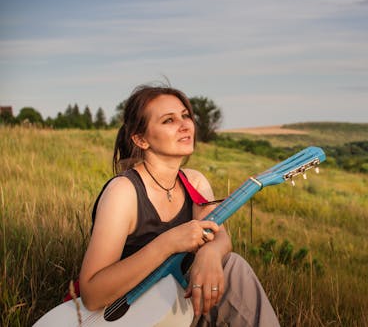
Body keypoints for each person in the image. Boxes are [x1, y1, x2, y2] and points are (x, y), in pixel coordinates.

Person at [78, 83, 280, 326]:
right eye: (169, 120)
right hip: (132, 316)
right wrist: (168, 243)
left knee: (230, 264)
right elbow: (91, 294)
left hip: (176, 305)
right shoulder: (123, 192)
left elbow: (221, 237)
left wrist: (210, 254)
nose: (185, 125)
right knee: (234, 268)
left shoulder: (193, 181)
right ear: (141, 139)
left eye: (186, 116)